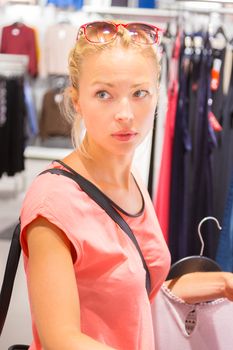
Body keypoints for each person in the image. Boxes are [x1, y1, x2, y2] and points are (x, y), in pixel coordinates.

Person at [20, 21, 233, 350]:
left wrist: (223, 283)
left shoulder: (131, 183)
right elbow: (60, 339)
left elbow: (141, 291)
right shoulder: (54, 202)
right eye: (103, 94)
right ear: (76, 99)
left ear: (157, 95)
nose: (125, 113)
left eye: (139, 93)